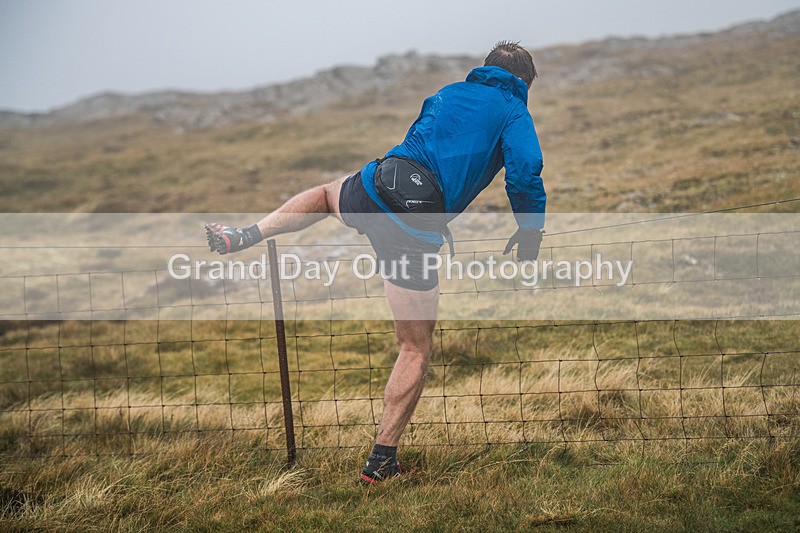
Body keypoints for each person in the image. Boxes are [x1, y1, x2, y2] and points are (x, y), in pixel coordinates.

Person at [205, 41, 546, 484]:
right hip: (415, 220)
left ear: (485, 69)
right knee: (414, 346)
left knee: (329, 194)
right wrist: (531, 228)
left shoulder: (447, 91)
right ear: (524, 81)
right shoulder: (514, 111)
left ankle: (246, 234)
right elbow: (524, 170)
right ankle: (381, 462)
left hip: (379, 183)